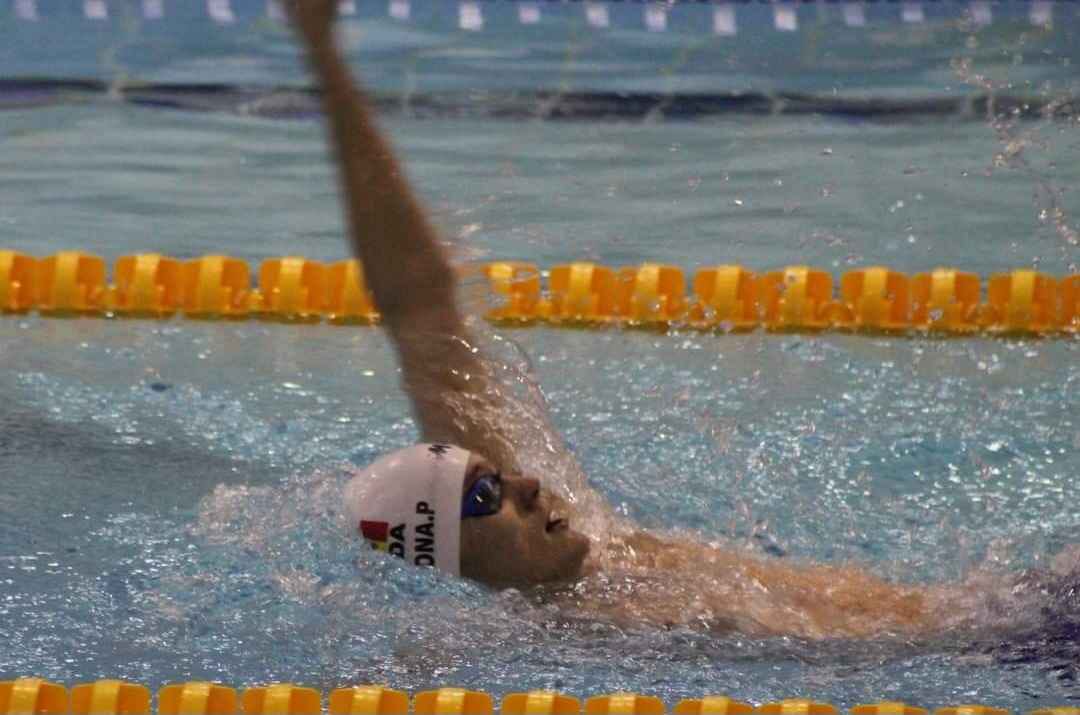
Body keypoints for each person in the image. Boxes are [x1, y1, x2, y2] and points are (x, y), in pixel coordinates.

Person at [286, 0, 1066, 641]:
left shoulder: (572, 543)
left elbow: (419, 304)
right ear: (446, 557)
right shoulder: (571, 631)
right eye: (489, 496)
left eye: (495, 476)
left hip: (1015, 609)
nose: (524, 481)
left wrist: (327, 64)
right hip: (1012, 651)